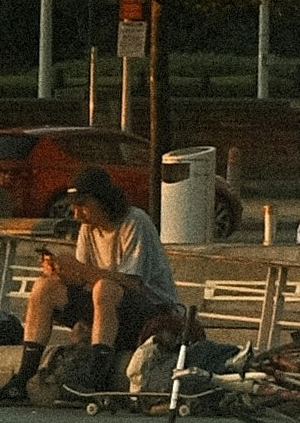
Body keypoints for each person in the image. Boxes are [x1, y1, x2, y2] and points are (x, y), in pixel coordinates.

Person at [17, 157, 185, 392]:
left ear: (103, 200)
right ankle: (23, 378)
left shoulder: (135, 222)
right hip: (106, 308)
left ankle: (96, 378)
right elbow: (84, 280)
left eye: (82, 205)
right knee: (45, 286)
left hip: (151, 313)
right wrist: (61, 272)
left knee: (105, 287)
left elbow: (133, 283)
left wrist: (81, 270)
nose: (77, 215)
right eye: (73, 207)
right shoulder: (88, 228)